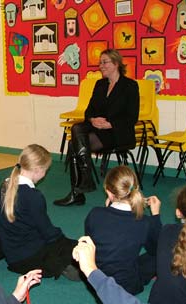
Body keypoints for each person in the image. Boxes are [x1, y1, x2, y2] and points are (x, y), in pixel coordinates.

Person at [54, 49, 140, 206]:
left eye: (105, 62)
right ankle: (84, 180)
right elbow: (89, 111)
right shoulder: (100, 84)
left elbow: (132, 117)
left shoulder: (130, 86)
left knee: (74, 145)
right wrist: (93, 120)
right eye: (100, 62)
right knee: (76, 130)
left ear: (116, 64)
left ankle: (77, 192)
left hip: (117, 133)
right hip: (97, 129)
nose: (101, 66)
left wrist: (110, 124)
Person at [0, 144, 80, 281]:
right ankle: (62, 265)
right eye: (45, 170)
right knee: (76, 247)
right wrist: (67, 242)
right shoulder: (33, 196)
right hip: (29, 257)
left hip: (12, 256)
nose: (45, 174)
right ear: (38, 170)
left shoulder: (5, 186)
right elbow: (49, 233)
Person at [84, 165, 161, 294]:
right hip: (126, 285)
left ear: (108, 192)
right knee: (162, 253)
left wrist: (106, 210)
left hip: (96, 279)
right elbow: (157, 249)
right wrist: (155, 216)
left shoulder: (95, 213)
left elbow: (90, 243)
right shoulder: (144, 222)